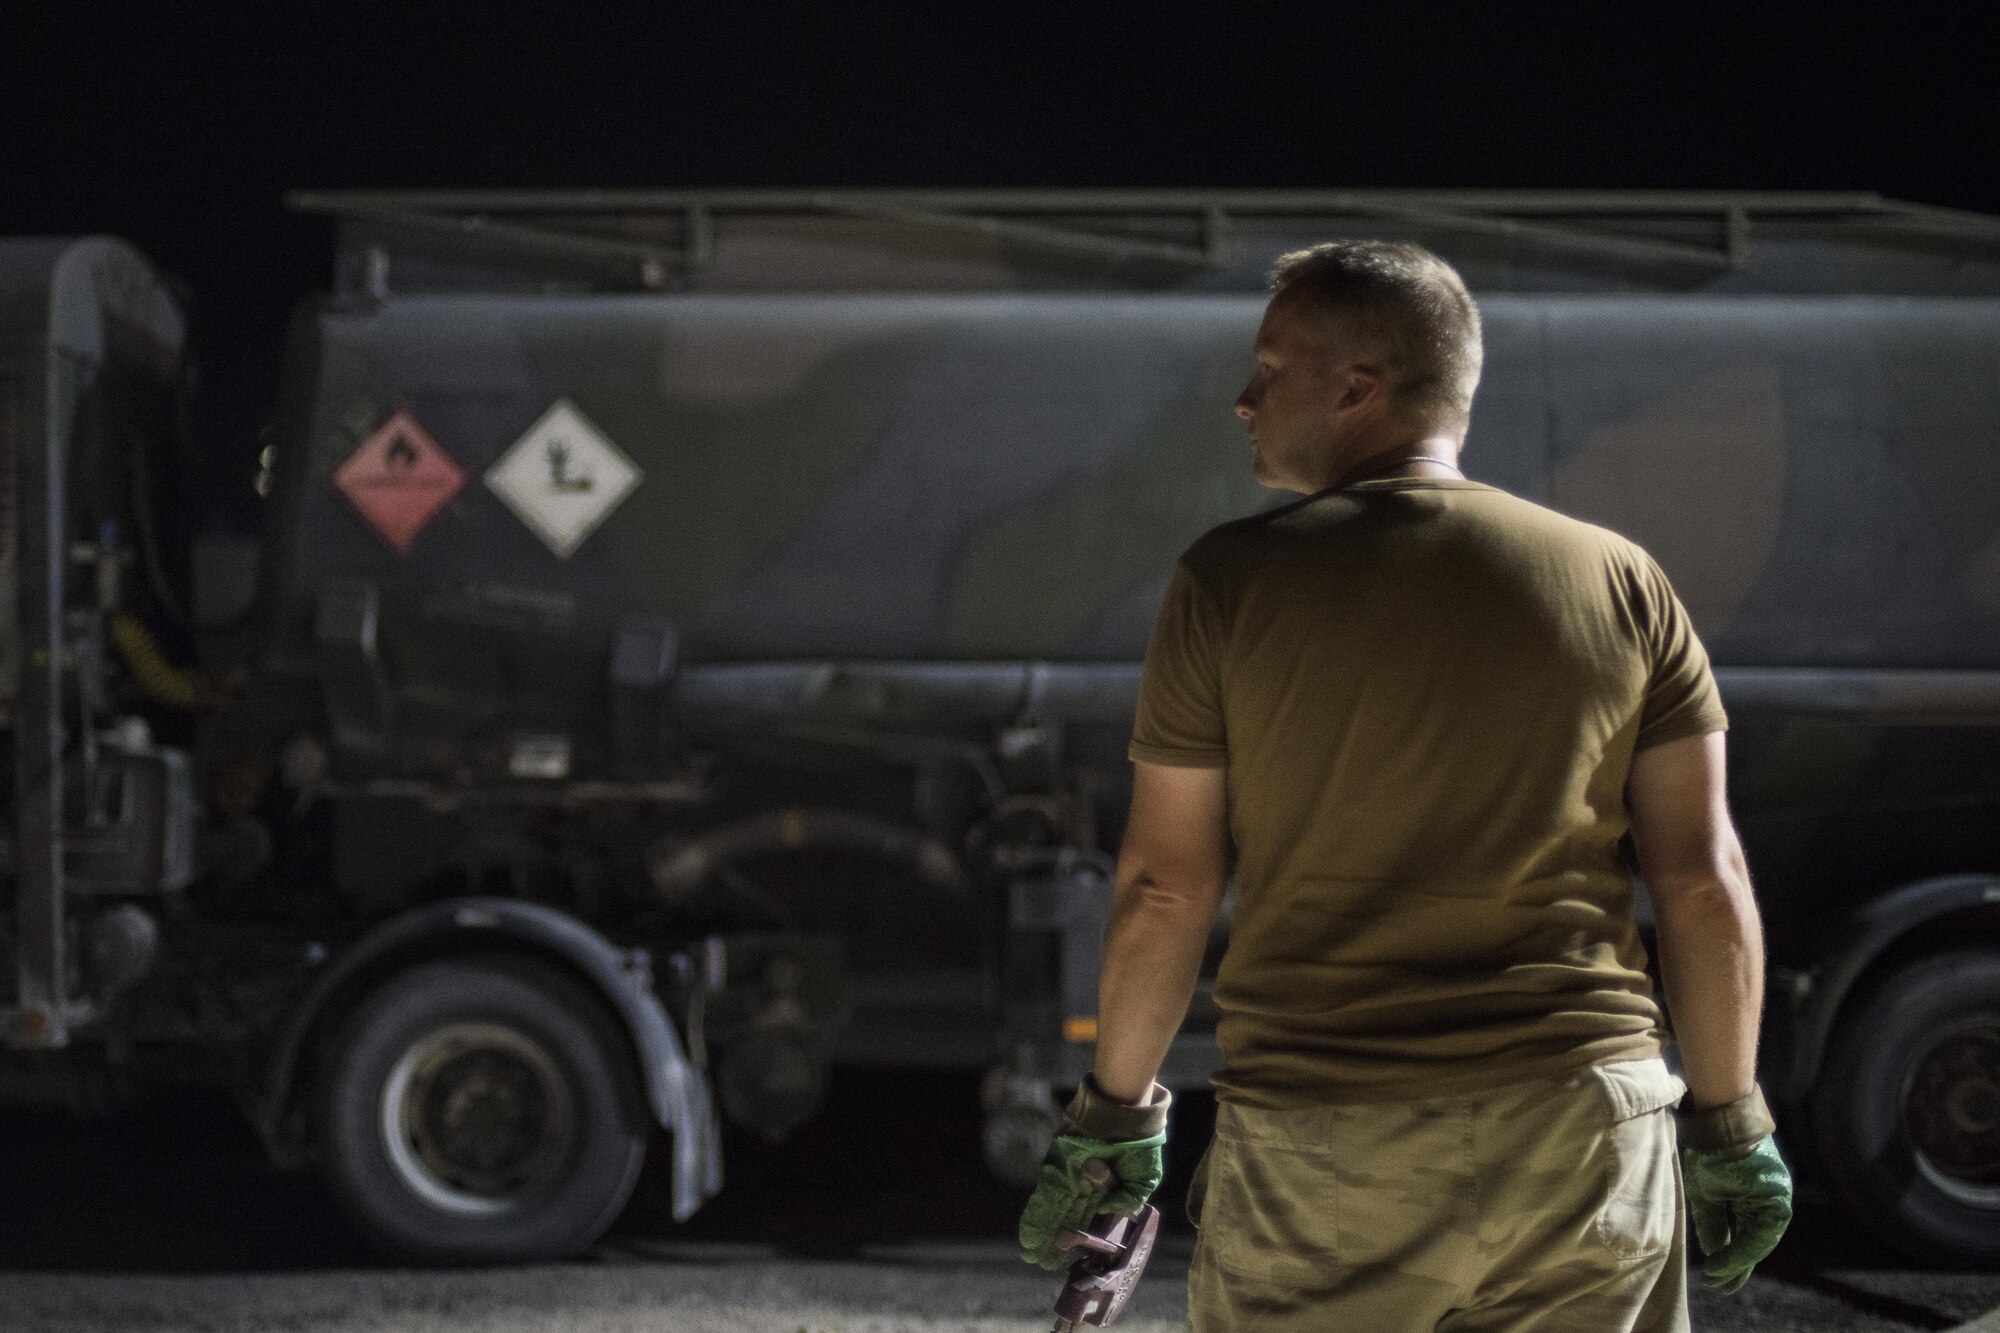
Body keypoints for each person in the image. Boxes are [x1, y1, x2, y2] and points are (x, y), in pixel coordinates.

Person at [1017, 241, 1793, 1331]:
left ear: (1356, 389)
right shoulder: (1619, 578)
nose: (1243, 400)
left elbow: (1163, 887)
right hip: (1585, 1134)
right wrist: (1731, 1122)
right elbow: (1702, 879)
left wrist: (1115, 1116)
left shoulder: (1232, 581)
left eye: (1270, 367)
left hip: (1331, 1143)